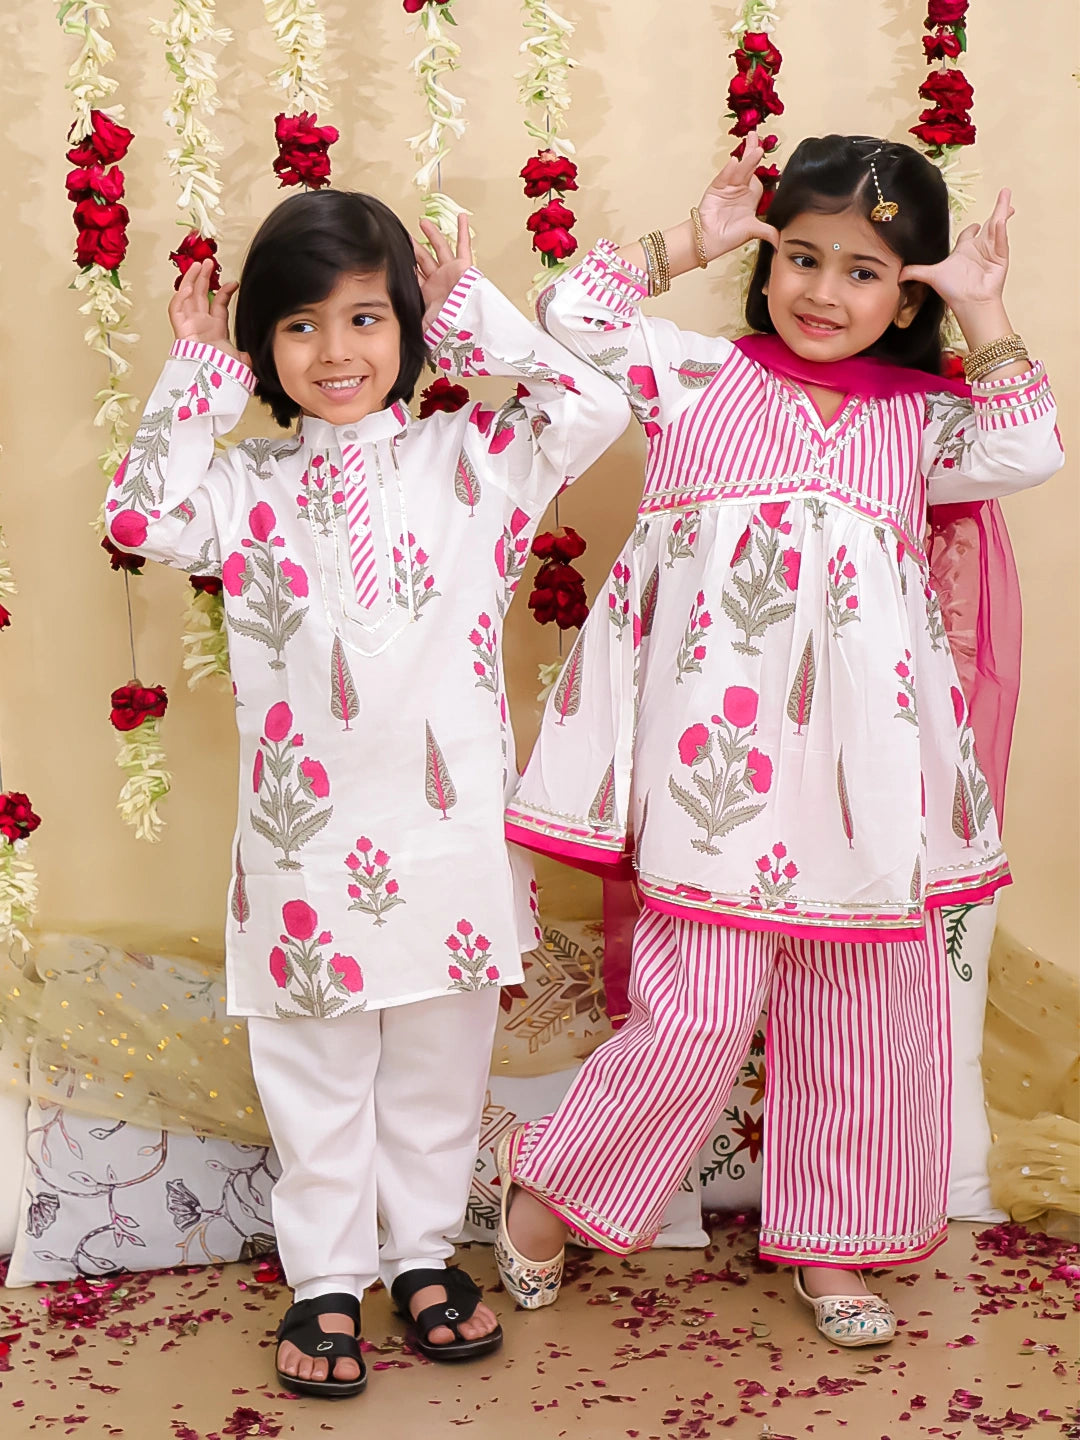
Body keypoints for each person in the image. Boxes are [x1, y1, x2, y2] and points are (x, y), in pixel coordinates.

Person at [497, 133, 1064, 1346]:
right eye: (802, 257)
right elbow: (569, 316)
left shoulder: (923, 423)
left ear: (904, 294)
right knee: (694, 1016)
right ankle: (547, 1186)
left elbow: (1028, 447)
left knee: (862, 1019)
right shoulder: (693, 375)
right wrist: (687, 241)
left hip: (867, 785)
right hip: (719, 778)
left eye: (864, 271)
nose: (823, 291)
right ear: (768, 263)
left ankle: (834, 1244)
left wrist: (982, 307)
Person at [104, 192, 626, 1396]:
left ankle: (424, 1258)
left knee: (441, 1070)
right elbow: (139, 515)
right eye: (299, 325)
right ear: (264, 347)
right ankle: (328, 1280)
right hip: (305, 848)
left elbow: (593, 405)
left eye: (364, 318)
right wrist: (195, 370)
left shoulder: (475, 459)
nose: (335, 353)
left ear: (406, 325)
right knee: (318, 1077)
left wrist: (473, 313)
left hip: (448, 839)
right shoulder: (245, 485)